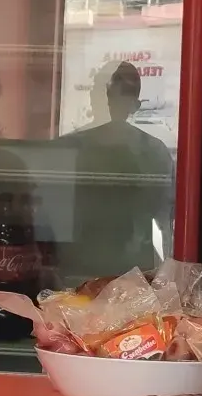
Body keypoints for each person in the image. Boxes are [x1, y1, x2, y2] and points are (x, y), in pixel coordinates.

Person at [67, 61, 175, 278]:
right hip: (126, 267)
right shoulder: (155, 150)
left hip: (91, 264)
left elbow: (166, 220)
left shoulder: (73, 146)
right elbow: (166, 220)